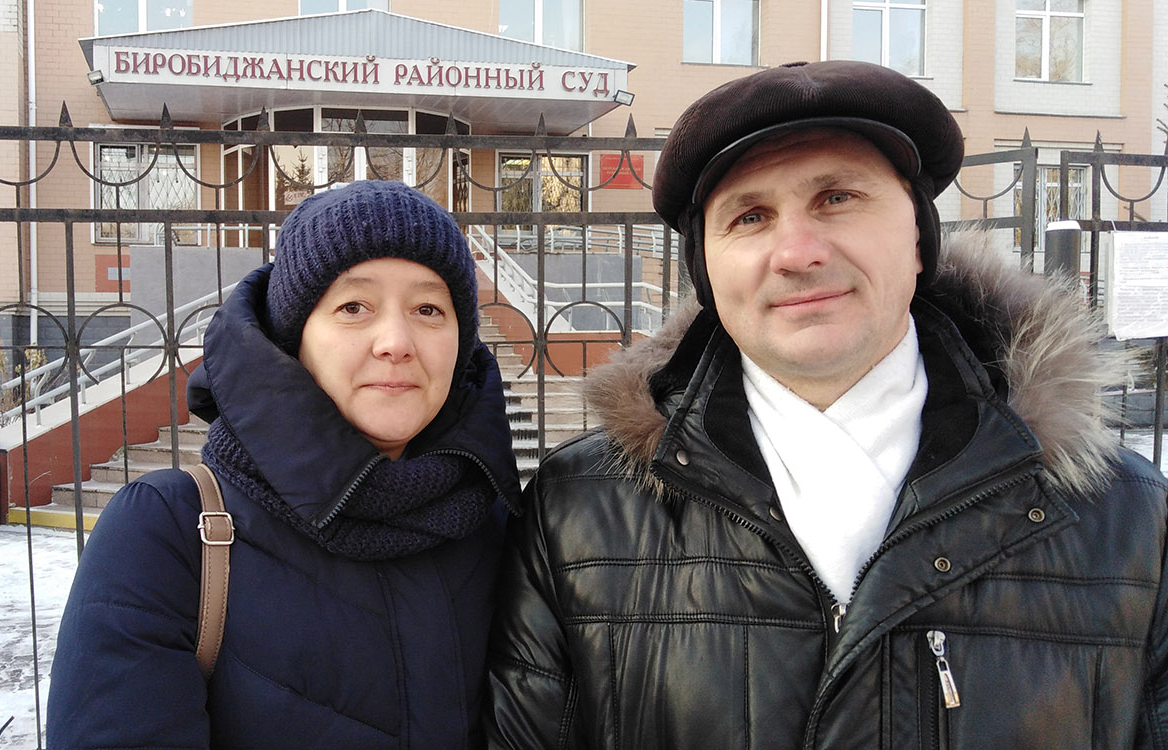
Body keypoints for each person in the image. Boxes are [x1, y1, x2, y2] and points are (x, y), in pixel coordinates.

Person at [486, 60, 1168, 748]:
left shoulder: (1130, 521)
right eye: (750, 216)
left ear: (919, 238)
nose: (797, 253)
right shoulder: (577, 511)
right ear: (707, 271)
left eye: (838, 198)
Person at [48, 180, 520, 749]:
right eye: (353, 307)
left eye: (428, 309)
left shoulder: (508, 531)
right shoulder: (167, 533)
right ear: (293, 337)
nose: (396, 341)